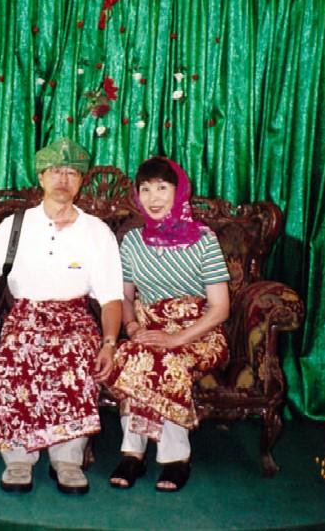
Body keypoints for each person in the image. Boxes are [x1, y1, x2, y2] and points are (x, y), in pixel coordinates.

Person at [0, 137, 123, 495]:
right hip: (24, 316)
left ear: (81, 181)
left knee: (75, 358)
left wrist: (109, 343)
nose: (63, 179)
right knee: (8, 361)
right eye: (55, 171)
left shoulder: (97, 232)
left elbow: (111, 299)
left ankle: (67, 459)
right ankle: (18, 458)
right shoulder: (15, 225)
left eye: (72, 173)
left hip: (74, 317)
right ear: (41, 177)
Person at [105, 156, 230, 492]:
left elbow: (220, 309)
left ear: (179, 191)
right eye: (145, 189)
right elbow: (125, 297)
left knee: (165, 359)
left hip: (199, 332)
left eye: (162, 187)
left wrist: (177, 339)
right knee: (132, 355)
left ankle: (175, 458)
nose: (153, 197)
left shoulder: (204, 240)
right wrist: (132, 327)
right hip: (149, 328)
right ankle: (132, 454)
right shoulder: (132, 241)